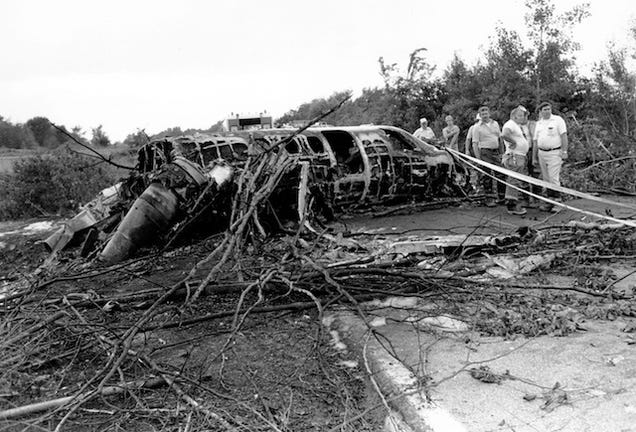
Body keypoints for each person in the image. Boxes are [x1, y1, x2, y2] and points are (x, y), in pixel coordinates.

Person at [532, 101, 568, 212]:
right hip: (542, 153)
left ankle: (558, 201)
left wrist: (565, 151)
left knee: (553, 178)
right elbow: (535, 141)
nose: (547, 111)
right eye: (544, 109)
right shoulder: (539, 123)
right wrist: (534, 157)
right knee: (546, 179)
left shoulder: (557, 120)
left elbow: (563, 136)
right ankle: (550, 201)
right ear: (540, 112)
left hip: (554, 153)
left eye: (548, 109)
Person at [471, 106, 505, 207]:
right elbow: (475, 143)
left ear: (489, 113)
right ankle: (489, 199)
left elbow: (500, 139)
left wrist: (502, 153)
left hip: (496, 152)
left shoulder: (495, 124)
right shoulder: (477, 127)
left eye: (486, 112)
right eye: (482, 113)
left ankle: (502, 197)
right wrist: (478, 159)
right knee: (487, 175)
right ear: (480, 115)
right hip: (485, 152)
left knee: (501, 174)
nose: (485, 114)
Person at [501, 107, 530, 215]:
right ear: (514, 116)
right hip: (515, 156)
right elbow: (504, 134)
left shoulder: (516, 126)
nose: (523, 118)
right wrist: (512, 142)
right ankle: (512, 205)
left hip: (519, 155)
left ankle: (513, 203)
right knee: (514, 179)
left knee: (515, 179)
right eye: (521, 115)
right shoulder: (510, 124)